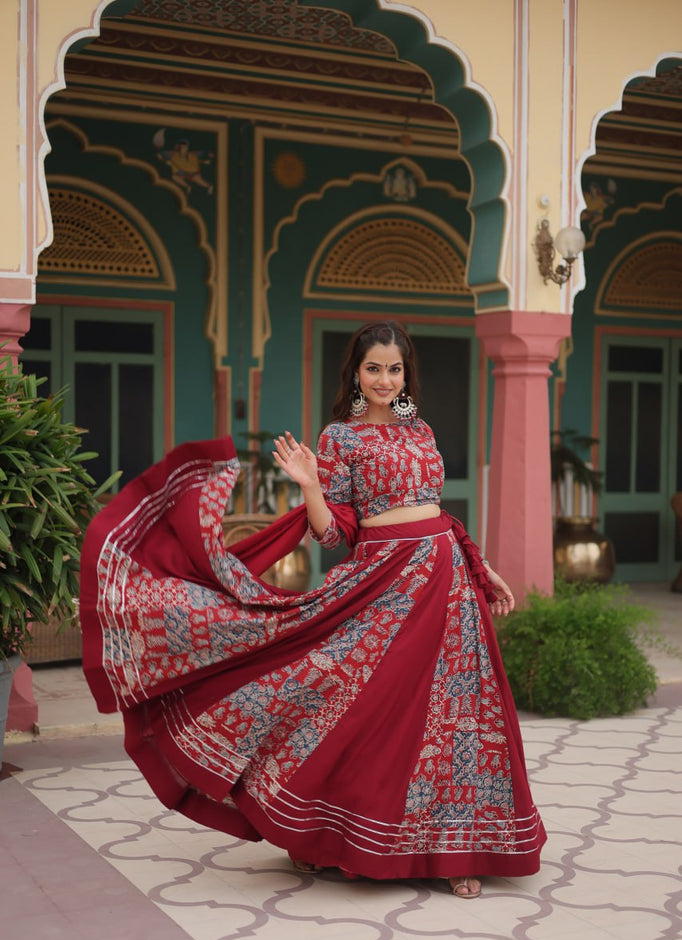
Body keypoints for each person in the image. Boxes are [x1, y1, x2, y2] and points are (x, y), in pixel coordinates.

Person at [80, 320, 546, 900]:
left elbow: (436, 514)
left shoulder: (420, 431)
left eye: (394, 368)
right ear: (355, 372)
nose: (384, 378)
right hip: (386, 586)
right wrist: (309, 485)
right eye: (373, 367)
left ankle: (455, 849)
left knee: (458, 716)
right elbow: (333, 535)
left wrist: (482, 567)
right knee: (360, 709)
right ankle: (323, 831)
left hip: (448, 584)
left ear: (407, 374)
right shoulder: (339, 439)